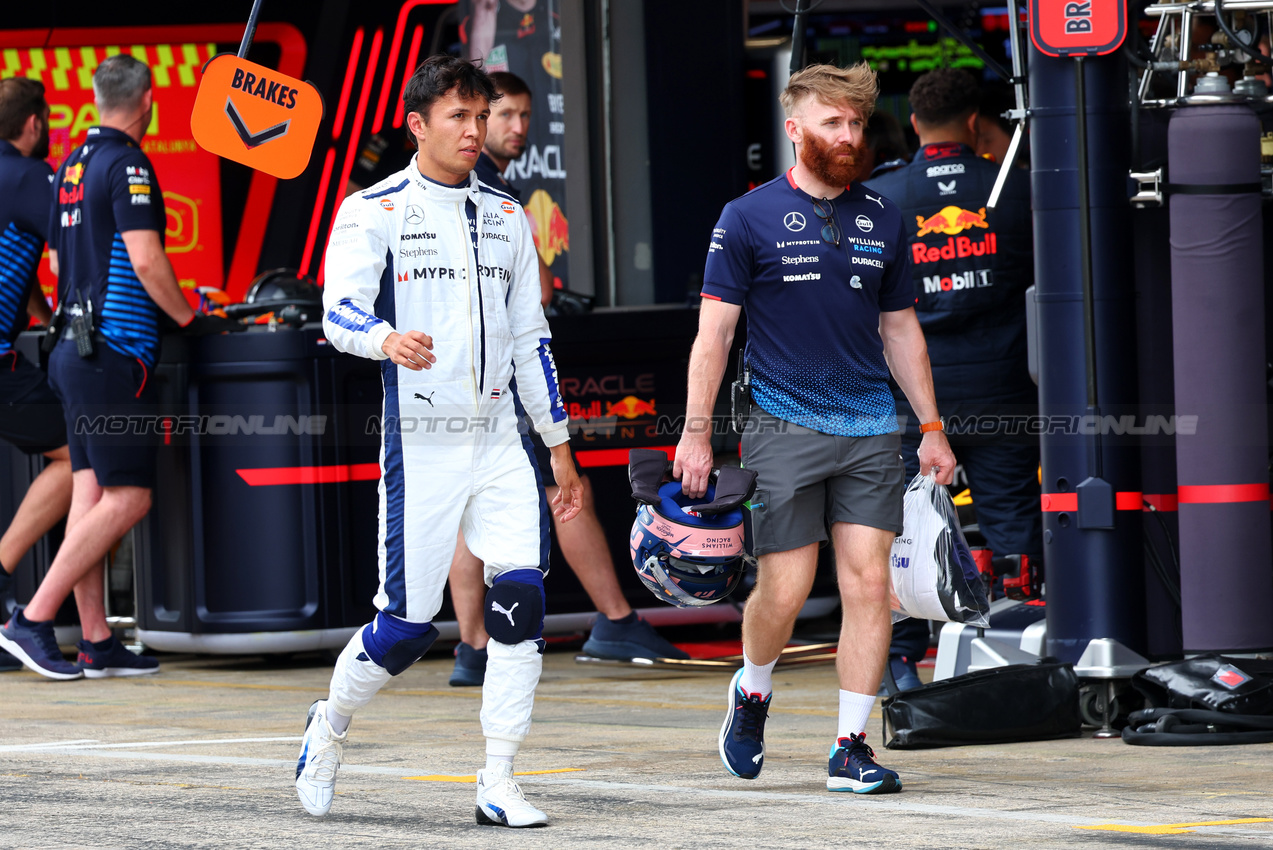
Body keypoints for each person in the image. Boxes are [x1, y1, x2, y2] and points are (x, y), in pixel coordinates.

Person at [297, 55, 580, 829]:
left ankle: (497, 777)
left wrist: (558, 444)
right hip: (420, 440)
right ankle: (330, 724)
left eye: (479, 114)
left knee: (521, 597)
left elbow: (532, 337)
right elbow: (338, 314)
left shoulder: (507, 214)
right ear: (418, 125)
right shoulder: (373, 209)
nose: (473, 128)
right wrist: (385, 339)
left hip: (497, 439)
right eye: (457, 115)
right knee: (406, 628)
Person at [675, 62, 956, 795]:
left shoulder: (883, 217)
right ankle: (753, 690)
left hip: (870, 428)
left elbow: (901, 332)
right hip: (780, 423)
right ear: (794, 128)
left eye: (856, 123)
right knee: (786, 588)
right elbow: (713, 338)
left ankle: (848, 746)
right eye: (832, 122)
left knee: (868, 587)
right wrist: (696, 434)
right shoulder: (746, 217)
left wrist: (930, 427)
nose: (848, 135)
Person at [0, 56, 238, 681]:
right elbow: (147, 257)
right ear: (148, 100)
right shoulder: (129, 163)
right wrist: (190, 319)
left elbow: (64, 254)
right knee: (129, 496)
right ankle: (33, 617)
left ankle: (98, 640)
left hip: (71, 354)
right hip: (111, 354)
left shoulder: (73, 163)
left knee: (90, 492)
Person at [446, 70, 685, 687]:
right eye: (504, 116)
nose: (517, 128)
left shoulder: (444, 184)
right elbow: (543, 291)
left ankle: (472, 647)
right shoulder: (488, 189)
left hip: (453, 375)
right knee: (563, 489)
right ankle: (615, 619)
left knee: (469, 503)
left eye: (525, 116)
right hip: (501, 373)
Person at [865, 69, 1041, 644]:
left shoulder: (881, 199)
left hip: (911, 401)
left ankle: (902, 660)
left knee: (901, 530)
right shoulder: (1017, 187)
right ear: (973, 123)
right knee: (1014, 531)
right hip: (1004, 388)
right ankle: (1019, 648)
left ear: (915, 125)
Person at [0, 79, 73, 673]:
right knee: (77, 454)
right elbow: (76, 242)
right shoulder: (29, 175)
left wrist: (44, 317)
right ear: (33, 125)